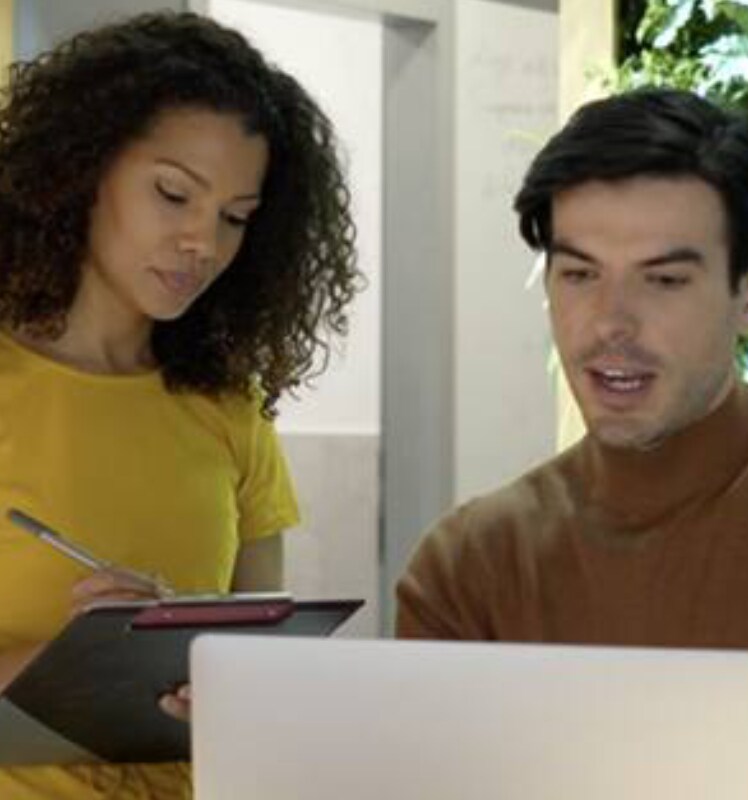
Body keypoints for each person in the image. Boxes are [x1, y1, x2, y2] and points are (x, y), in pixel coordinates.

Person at [0, 10, 359, 799]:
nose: (204, 241)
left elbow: (265, 670)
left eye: (235, 218)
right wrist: (68, 665)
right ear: (81, 168)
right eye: (173, 194)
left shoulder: (228, 410)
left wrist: (216, 668)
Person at [396, 87, 748, 647]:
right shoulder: (473, 565)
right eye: (580, 275)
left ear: (742, 297)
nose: (611, 322)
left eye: (663, 280)